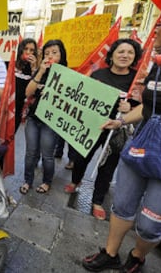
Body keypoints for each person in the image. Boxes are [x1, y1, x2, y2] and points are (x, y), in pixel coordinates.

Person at [82, 16, 161, 273]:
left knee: (151, 224)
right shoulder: (159, 64)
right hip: (139, 147)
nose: (154, 29)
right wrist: (120, 121)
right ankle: (110, 253)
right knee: (122, 205)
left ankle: (137, 255)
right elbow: (147, 107)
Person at [64, 39, 142, 221]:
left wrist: (128, 110)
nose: (125, 55)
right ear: (112, 55)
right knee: (81, 157)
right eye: (120, 51)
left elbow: (142, 109)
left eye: (129, 52)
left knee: (107, 166)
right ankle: (76, 181)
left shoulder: (136, 80)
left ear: (135, 57)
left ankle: (97, 200)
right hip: (93, 125)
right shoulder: (98, 74)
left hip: (117, 130)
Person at [19, 40, 68, 195]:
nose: (50, 56)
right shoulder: (40, 71)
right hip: (34, 118)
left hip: (51, 121)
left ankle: (47, 182)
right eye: (47, 53)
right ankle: (27, 180)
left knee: (47, 155)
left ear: (61, 55)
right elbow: (28, 92)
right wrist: (40, 72)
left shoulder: (68, 75)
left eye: (54, 52)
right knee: (31, 152)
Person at [15, 38, 38, 132]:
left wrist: (34, 69)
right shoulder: (11, 63)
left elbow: (34, 91)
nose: (28, 52)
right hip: (6, 106)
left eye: (32, 50)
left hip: (19, 110)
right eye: (25, 48)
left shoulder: (35, 67)